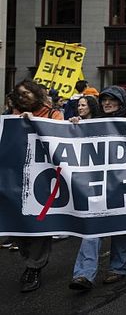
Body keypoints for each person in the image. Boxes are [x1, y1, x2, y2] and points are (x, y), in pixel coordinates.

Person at [68, 87, 126, 291]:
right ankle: (83, 274)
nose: (106, 103)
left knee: (121, 226)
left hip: (123, 183)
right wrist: (75, 127)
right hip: (97, 184)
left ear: (121, 102)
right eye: (104, 99)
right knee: (93, 225)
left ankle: (118, 268)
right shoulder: (92, 123)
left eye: (111, 100)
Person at [10, 80, 64, 292]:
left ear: (37, 94)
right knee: (19, 225)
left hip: (42, 179)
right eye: (19, 94)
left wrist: (35, 123)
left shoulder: (53, 115)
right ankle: (29, 257)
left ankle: (34, 267)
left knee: (40, 222)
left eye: (27, 93)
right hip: (15, 179)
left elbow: (62, 137)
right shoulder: (10, 115)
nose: (23, 97)